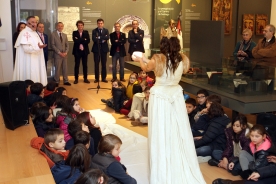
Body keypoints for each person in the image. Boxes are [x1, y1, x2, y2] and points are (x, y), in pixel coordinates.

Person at [132, 36, 205, 183]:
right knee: (177, 127)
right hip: (176, 94)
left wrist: (140, 59)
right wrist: (146, 59)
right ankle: (177, 155)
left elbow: (146, 68)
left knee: (160, 128)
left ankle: (163, 162)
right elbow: (178, 69)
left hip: (160, 96)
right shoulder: (183, 59)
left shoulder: (158, 58)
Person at [13, 16, 47, 86]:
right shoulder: (24, 33)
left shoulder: (34, 33)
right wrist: (38, 47)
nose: (35, 24)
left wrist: (39, 47)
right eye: (32, 22)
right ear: (27, 23)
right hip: (28, 61)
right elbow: (26, 49)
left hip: (35, 60)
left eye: (35, 22)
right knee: (29, 75)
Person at [51, 22, 71, 86]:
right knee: (57, 68)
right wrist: (59, 52)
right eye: (59, 26)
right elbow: (52, 45)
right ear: (56, 27)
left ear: (63, 27)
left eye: (61, 26)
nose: (60, 27)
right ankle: (56, 81)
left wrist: (66, 52)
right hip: (57, 55)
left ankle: (66, 80)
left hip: (65, 55)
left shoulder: (65, 35)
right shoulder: (53, 34)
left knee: (65, 68)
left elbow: (67, 45)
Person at [72, 20, 91, 84]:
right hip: (77, 51)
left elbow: (88, 41)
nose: (80, 26)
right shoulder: (74, 32)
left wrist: (79, 39)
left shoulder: (86, 32)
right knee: (77, 65)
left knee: (85, 65)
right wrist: (83, 39)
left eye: (81, 25)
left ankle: (85, 78)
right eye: (79, 25)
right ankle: (76, 79)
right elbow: (75, 41)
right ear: (77, 26)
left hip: (84, 51)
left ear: (83, 26)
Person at [91, 18, 109, 83]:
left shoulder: (106, 30)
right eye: (99, 23)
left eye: (101, 23)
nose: (100, 24)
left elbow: (107, 37)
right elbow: (94, 39)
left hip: (104, 50)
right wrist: (102, 38)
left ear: (103, 24)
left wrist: (98, 37)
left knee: (104, 64)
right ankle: (97, 78)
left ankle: (103, 78)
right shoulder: (94, 31)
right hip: (96, 50)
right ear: (97, 24)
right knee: (96, 64)